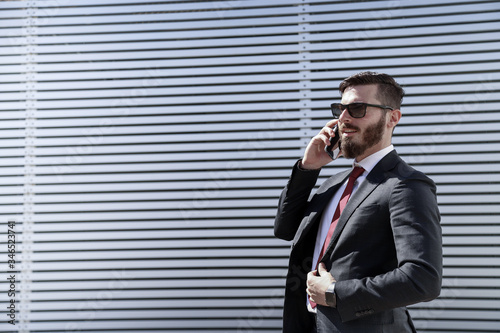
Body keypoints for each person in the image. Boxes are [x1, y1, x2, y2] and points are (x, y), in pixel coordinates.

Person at [274, 71, 442, 332]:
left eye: (357, 108)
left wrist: (334, 292)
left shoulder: (406, 185)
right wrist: (307, 168)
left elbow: (423, 279)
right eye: (340, 109)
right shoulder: (334, 183)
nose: (343, 118)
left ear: (392, 117)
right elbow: (284, 229)